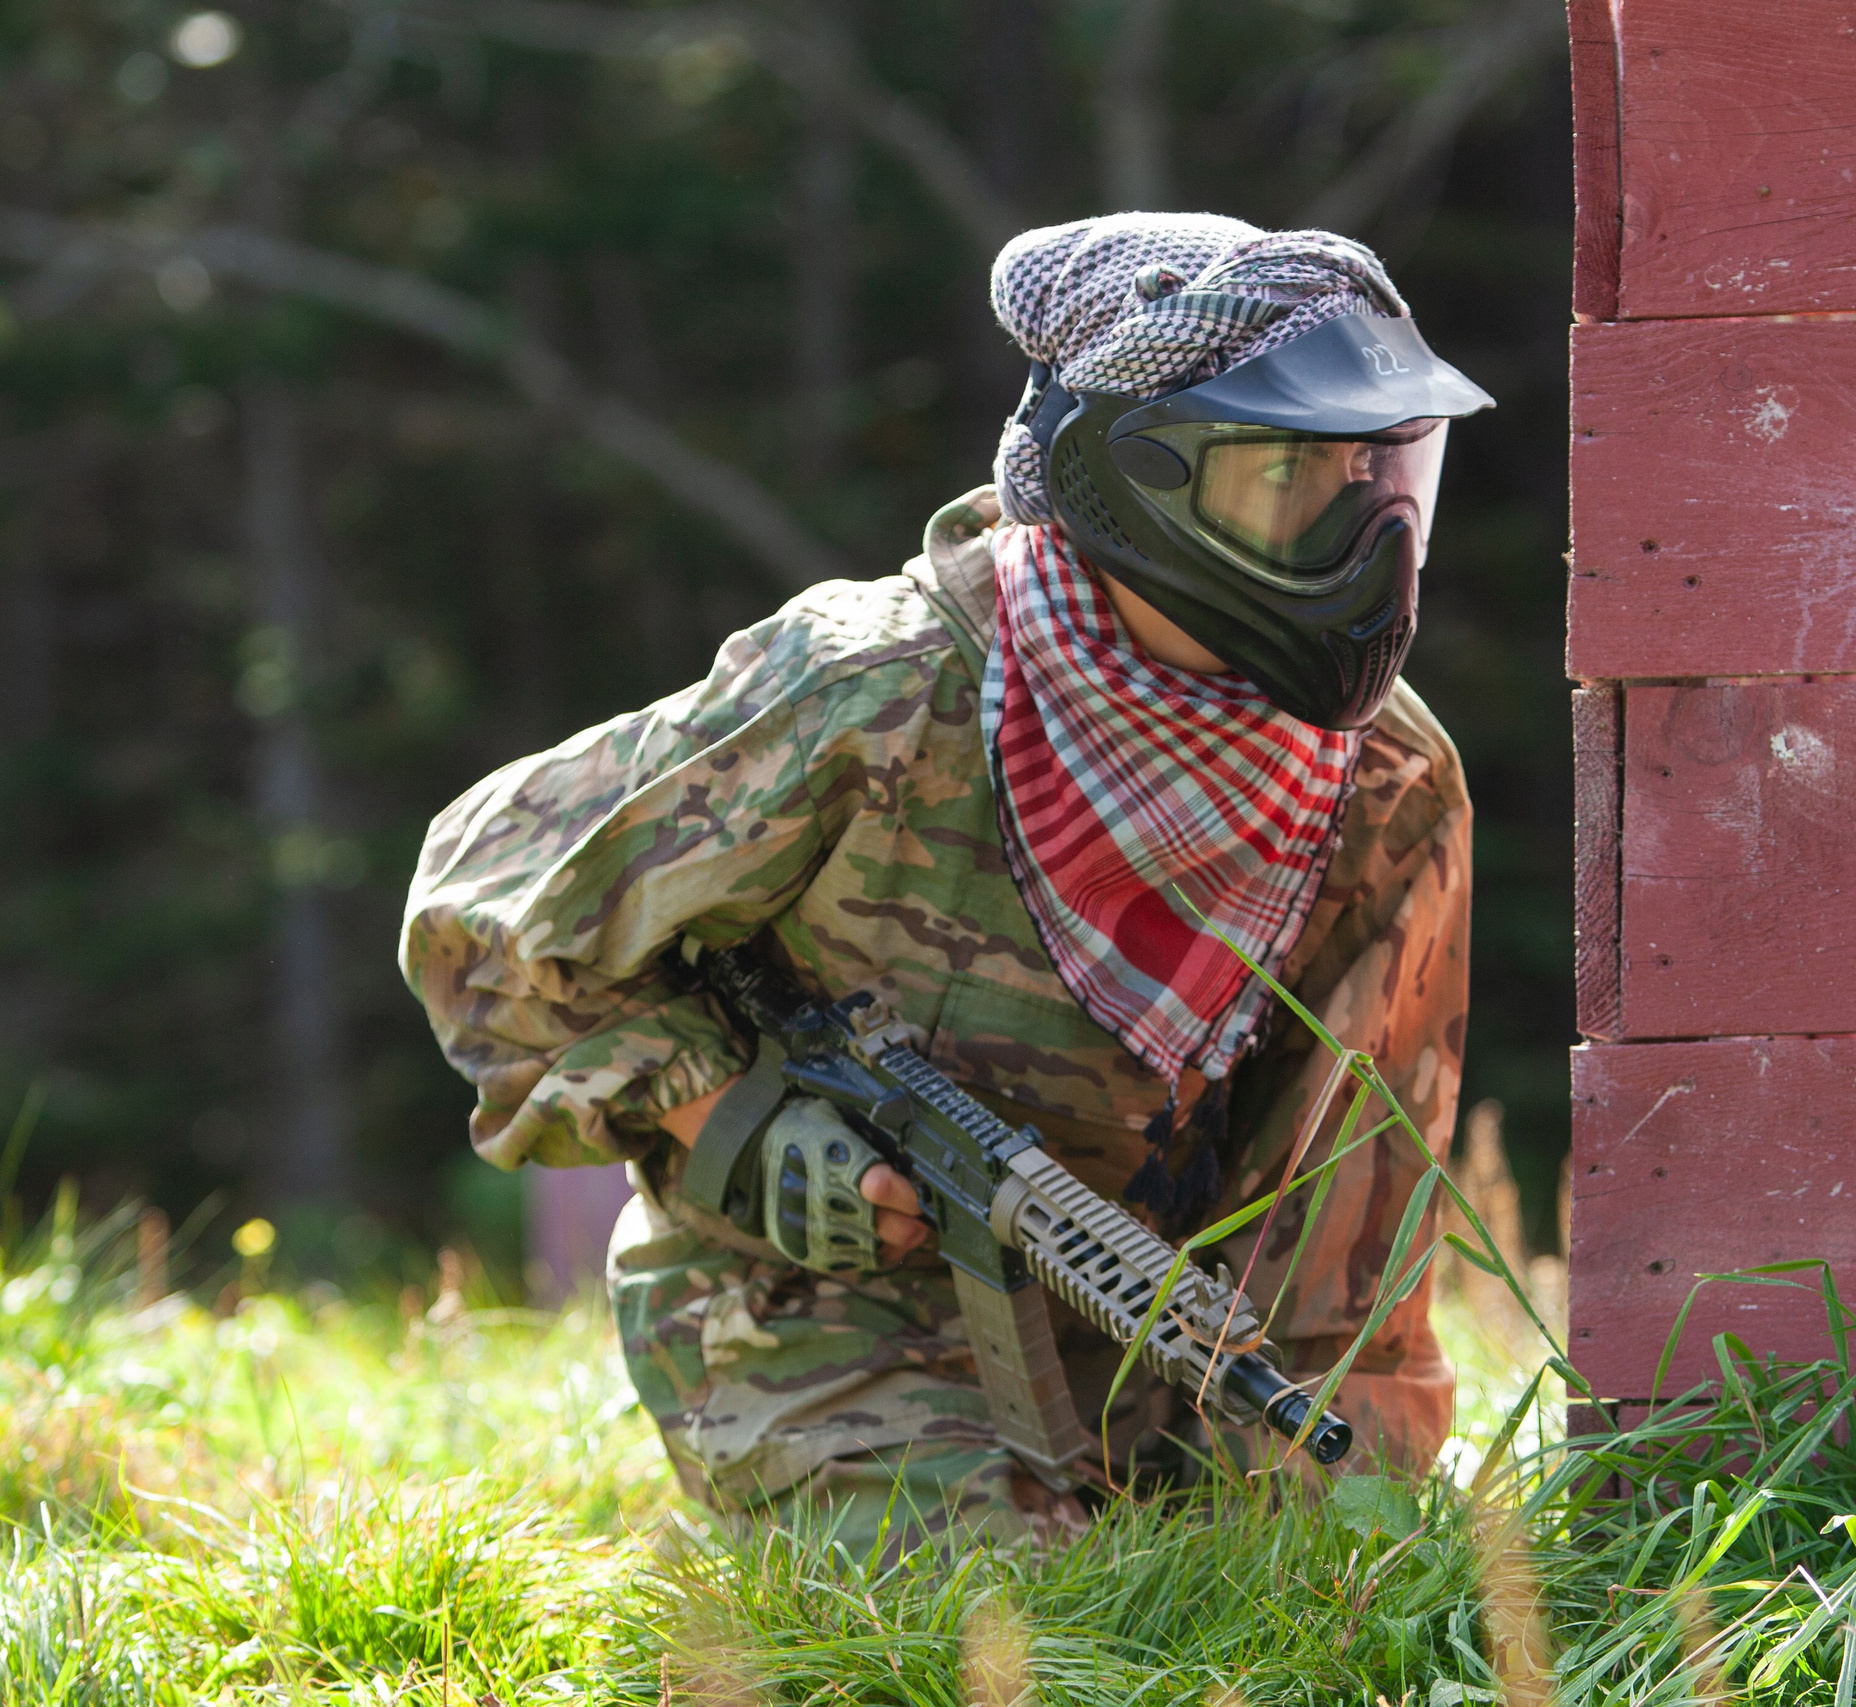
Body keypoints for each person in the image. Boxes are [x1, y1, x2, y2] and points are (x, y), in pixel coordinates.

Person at [399, 212, 1489, 1545]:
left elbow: (1349, 1218)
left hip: (1150, 1333)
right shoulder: (882, 690)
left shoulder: (1380, 782)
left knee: (1287, 1586)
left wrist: (1353, 1524)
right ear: (1128, 482)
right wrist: (727, 1122)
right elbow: (484, 906)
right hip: (817, 1315)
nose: (1368, 544)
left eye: (1389, 480)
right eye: (1293, 483)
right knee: (1004, 1627)